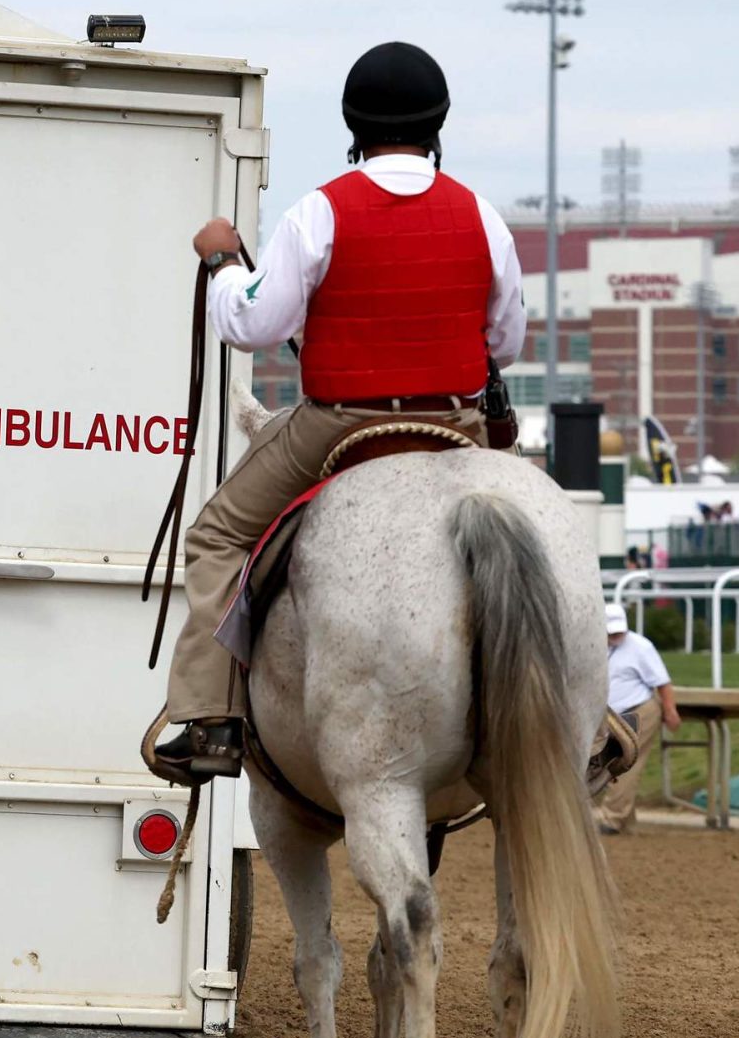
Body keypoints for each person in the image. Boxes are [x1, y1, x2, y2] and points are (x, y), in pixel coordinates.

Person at [145, 41, 524, 782]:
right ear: (437, 121)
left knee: (218, 536)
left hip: (340, 426)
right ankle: (593, 723)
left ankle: (212, 716)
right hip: (456, 427)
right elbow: (505, 341)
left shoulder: (319, 212)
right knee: (547, 529)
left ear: (354, 121)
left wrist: (225, 261)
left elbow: (252, 325)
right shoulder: (481, 216)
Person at [594, 603, 679, 836]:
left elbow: (662, 682)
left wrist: (670, 711)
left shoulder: (641, 647)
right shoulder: (594, 647)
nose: (616, 636)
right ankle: (625, 820)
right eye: (611, 632)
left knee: (626, 763)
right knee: (607, 764)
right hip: (611, 716)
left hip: (640, 711)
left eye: (619, 631)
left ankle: (612, 818)